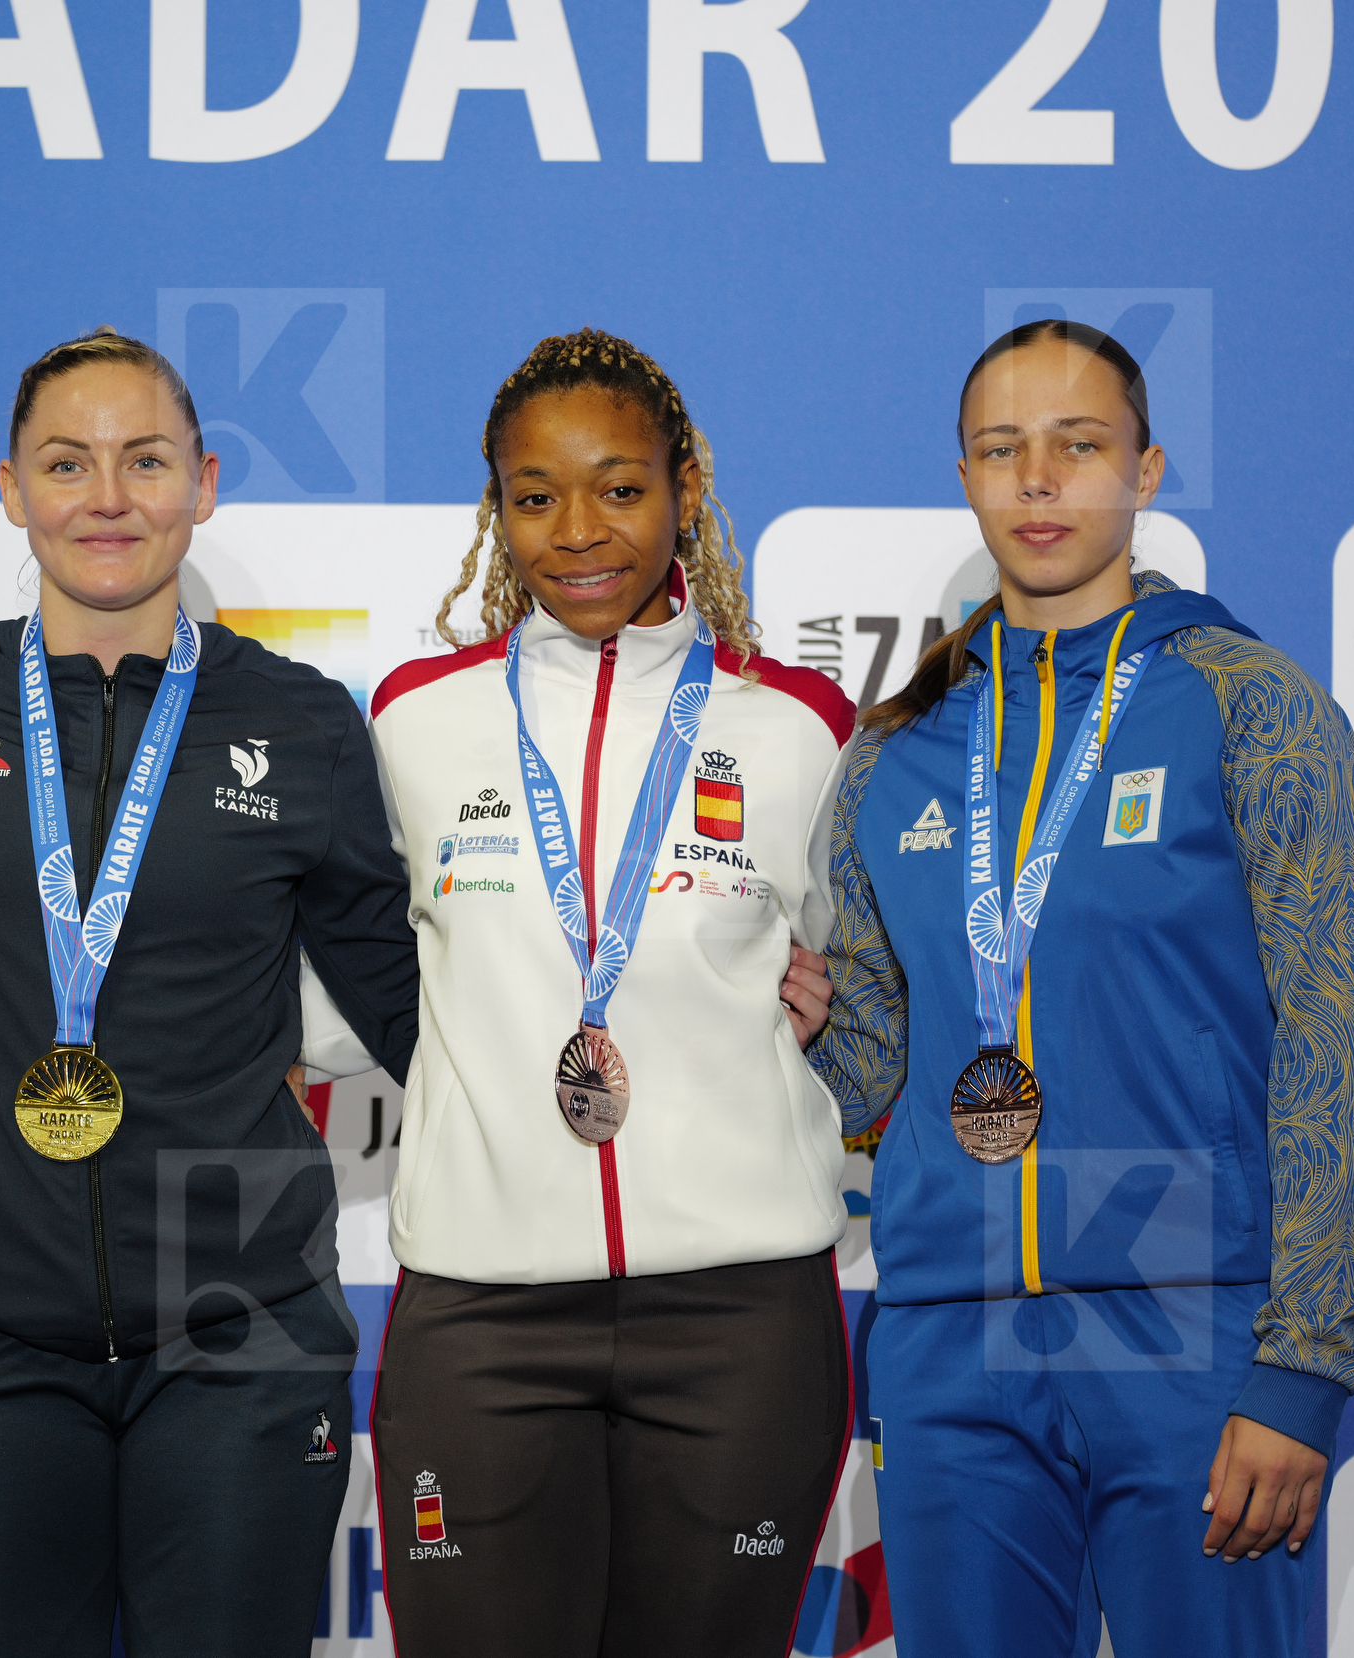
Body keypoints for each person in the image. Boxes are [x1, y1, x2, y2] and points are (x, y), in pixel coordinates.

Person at [803, 319, 1354, 1656]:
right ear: (964, 475)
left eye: (1080, 445)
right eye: (1004, 450)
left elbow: (1336, 1043)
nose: (1041, 481)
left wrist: (1299, 1363)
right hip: (951, 1348)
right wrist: (792, 1018)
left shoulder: (1252, 706)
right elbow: (871, 1073)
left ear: (1147, 468)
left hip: (1188, 1332)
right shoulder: (896, 748)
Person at [0, 328, 421, 1656]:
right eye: (67, 462)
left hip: (240, 1336)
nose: (107, 496)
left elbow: (415, 1006)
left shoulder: (302, 721)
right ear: (10, 489)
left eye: (145, 459)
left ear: (204, 483)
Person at [359, 329, 857, 1656]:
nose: (577, 529)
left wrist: (819, 1027)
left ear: (685, 484)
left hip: (741, 1319)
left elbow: (874, 987)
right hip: (483, 1315)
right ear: (497, 509)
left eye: (621, 486)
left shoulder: (802, 724)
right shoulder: (412, 720)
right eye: (535, 495)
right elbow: (356, 978)